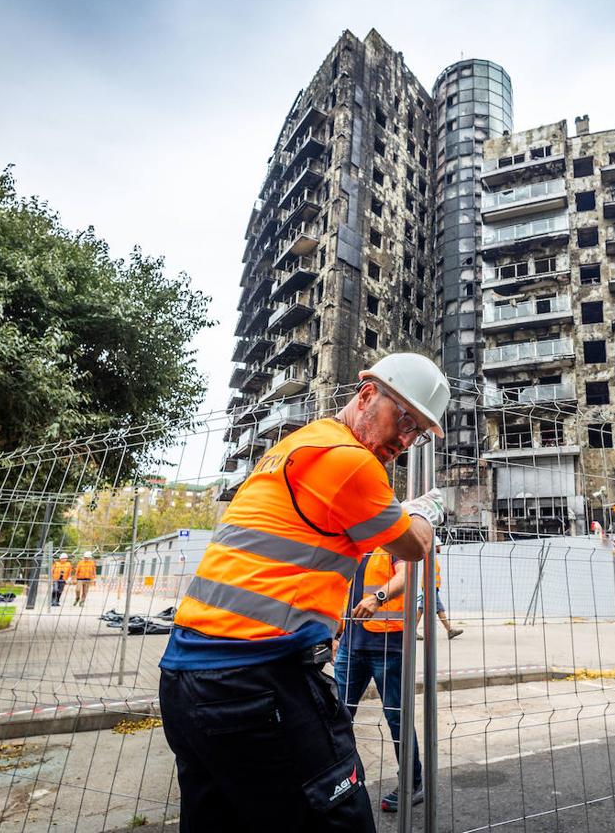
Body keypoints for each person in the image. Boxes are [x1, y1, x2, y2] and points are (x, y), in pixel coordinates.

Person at [158, 353, 450, 832]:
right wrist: (423, 510)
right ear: (366, 394)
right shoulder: (351, 463)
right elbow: (414, 545)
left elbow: (296, 557)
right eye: (404, 419)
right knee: (338, 820)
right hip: (257, 682)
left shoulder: (298, 445)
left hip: (186, 677)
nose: (405, 439)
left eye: (417, 432)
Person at [333, 547, 421, 813]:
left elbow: (407, 575)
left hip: (388, 646)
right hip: (351, 645)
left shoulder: (393, 543)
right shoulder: (353, 546)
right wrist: (334, 634)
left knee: (397, 719)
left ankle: (413, 784)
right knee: (336, 716)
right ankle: (337, 781)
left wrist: (378, 597)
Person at [416, 548, 462, 640]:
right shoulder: (430, 558)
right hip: (429, 588)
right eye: (439, 545)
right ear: (435, 546)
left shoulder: (433, 557)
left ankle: (449, 630)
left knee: (436, 609)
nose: (440, 547)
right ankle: (449, 630)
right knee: (424, 609)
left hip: (432, 588)